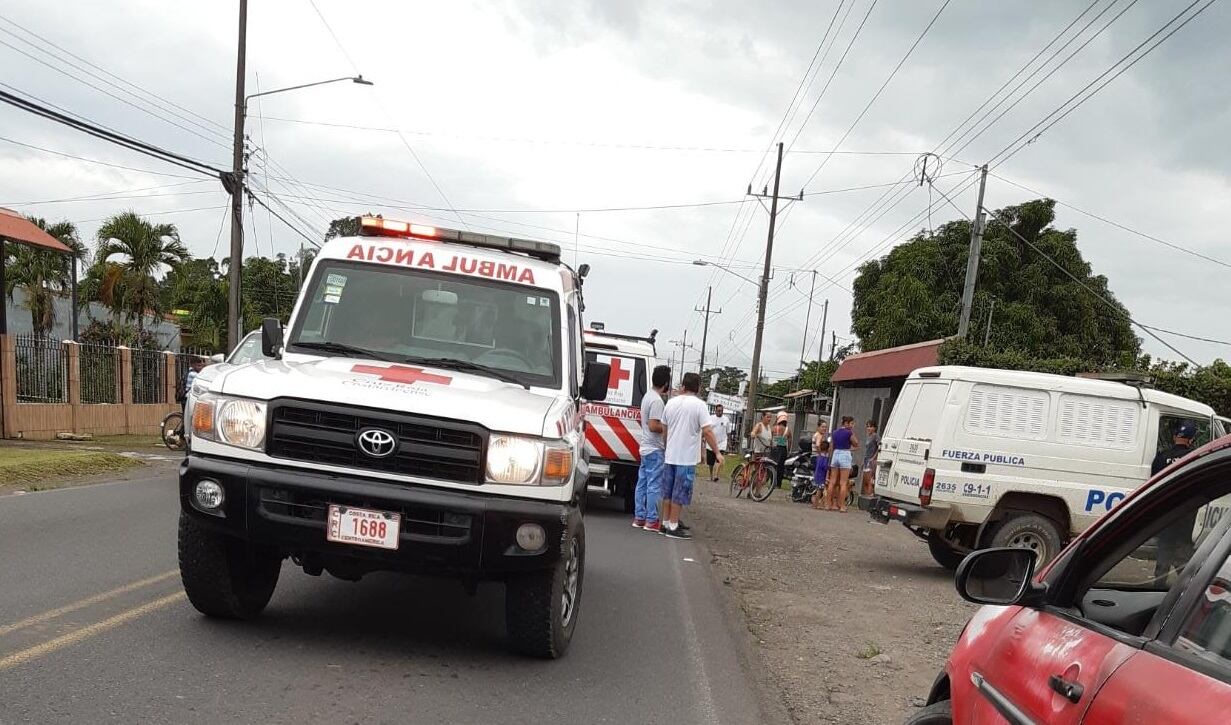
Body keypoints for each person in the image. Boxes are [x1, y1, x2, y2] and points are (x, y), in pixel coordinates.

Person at [660, 372, 723, 539]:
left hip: (670, 455)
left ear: (683, 385)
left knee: (668, 491)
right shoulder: (699, 405)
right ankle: (673, 527)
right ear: (699, 387)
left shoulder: (670, 403)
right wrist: (716, 452)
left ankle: (665, 522)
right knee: (679, 492)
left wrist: (667, 446)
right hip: (686, 457)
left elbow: (664, 429)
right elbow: (707, 431)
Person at [1153, 420, 1199, 580]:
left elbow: (1153, 486)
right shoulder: (1196, 458)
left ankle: (1157, 588)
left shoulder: (1161, 458)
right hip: (1185, 516)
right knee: (1183, 559)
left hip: (1165, 515)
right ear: (1191, 439)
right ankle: (1189, 591)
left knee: (1163, 557)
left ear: (1174, 437)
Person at [632, 365, 671, 532]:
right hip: (655, 448)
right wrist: (667, 427)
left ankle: (639, 517)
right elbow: (654, 425)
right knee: (654, 485)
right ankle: (652, 520)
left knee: (642, 483)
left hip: (645, 447)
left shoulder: (647, 396)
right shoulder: (657, 401)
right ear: (666, 383)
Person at [824, 416, 860, 512]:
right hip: (845, 453)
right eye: (851, 423)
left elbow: (831, 446)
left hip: (835, 454)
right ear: (846, 423)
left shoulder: (835, 432)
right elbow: (856, 443)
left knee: (832, 481)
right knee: (843, 483)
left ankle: (828, 504)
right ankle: (842, 506)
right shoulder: (849, 433)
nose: (852, 426)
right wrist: (851, 446)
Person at [706, 404, 731, 482]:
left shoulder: (726, 419)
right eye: (719, 411)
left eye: (722, 411)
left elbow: (728, 432)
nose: (720, 412)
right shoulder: (710, 418)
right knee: (710, 462)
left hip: (722, 442)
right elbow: (707, 430)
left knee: (719, 460)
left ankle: (716, 475)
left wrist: (729, 442)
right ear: (715, 410)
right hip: (711, 442)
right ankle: (711, 476)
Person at [861, 420, 880, 496]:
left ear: (874, 428)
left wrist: (874, 458)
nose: (869, 428)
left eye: (871, 426)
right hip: (866, 460)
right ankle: (866, 496)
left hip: (871, 461)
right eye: (868, 426)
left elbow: (879, 447)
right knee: (865, 481)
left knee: (869, 481)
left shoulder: (876, 436)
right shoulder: (868, 437)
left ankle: (870, 496)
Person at [810, 440, 831, 510]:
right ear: (827, 449)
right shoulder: (825, 458)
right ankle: (818, 504)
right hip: (822, 476)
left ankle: (816, 504)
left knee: (819, 490)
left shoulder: (819, 456)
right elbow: (825, 467)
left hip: (817, 475)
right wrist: (829, 468)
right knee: (820, 490)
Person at [771, 412, 790, 485]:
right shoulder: (787, 430)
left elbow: (771, 437)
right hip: (783, 449)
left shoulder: (775, 428)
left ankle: (772, 482)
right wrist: (788, 450)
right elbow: (790, 440)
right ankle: (779, 483)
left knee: (773, 465)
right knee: (781, 466)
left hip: (775, 448)